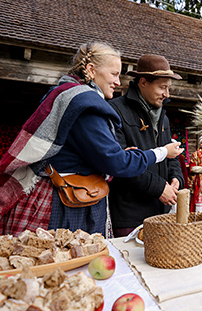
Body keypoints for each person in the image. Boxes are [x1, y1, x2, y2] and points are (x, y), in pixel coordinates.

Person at [0, 42, 167, 236]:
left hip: (62, 193)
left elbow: (91, 152)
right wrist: (160, 153)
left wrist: (115, 154)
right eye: (114, 74)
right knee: (68, 262)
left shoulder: (67, 94)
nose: (118, 82)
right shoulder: (86, 105)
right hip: (65, 202)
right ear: (91, 70)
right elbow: (116, 163)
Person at [108, 54, 185, 237]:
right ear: (143, 82)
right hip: (129, 216)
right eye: (162, 87)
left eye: (168, 88)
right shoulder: (115, 110)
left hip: (161, 213)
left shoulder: (163, 117)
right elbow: (119, 164)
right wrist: (158, 188)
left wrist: (176, 178)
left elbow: (171, 154)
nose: (167, 94)